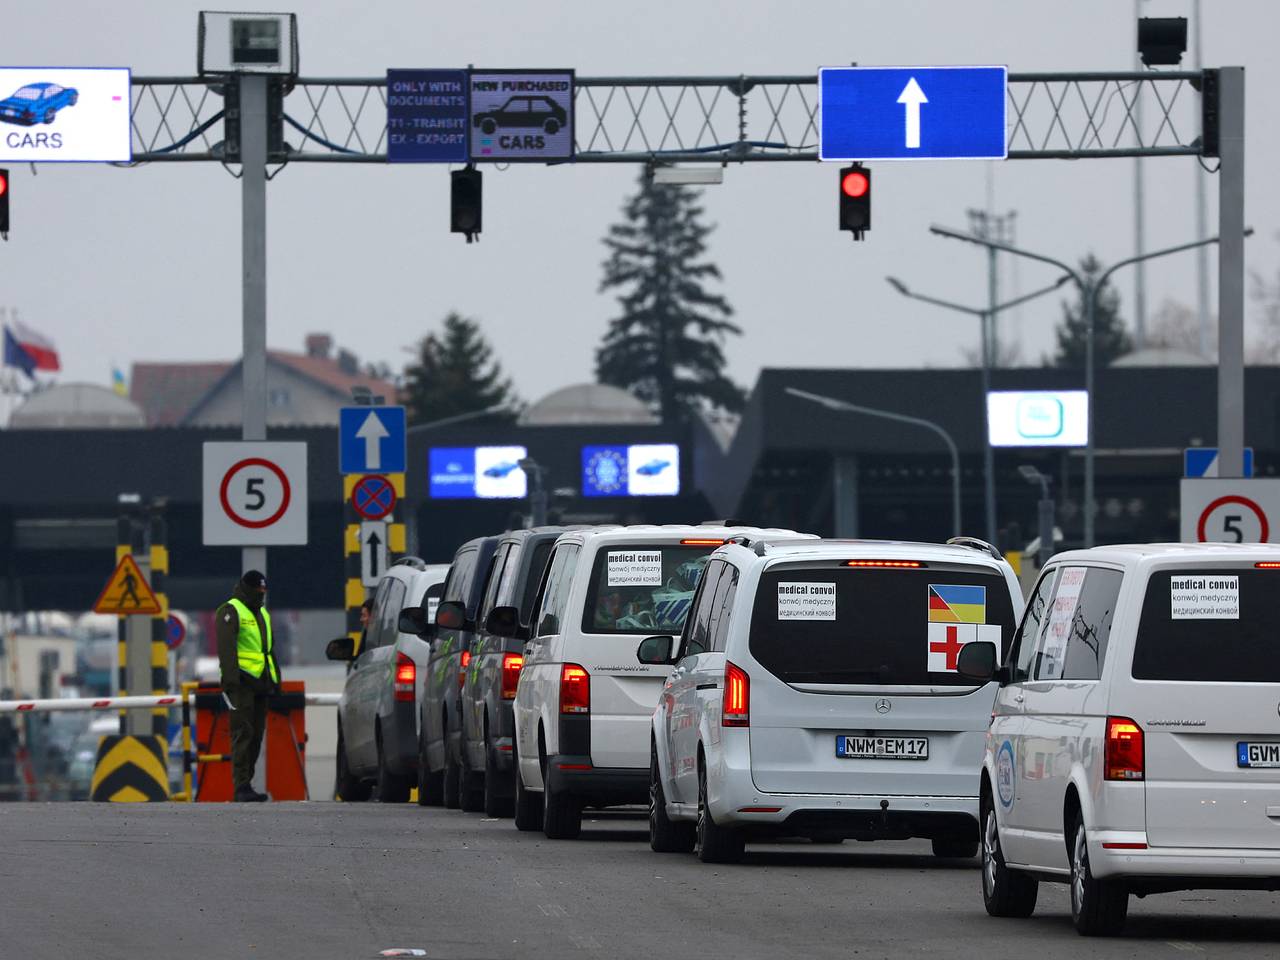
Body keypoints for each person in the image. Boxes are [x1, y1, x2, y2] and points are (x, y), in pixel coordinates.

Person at [215, 570, 281, 802]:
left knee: (256, 735)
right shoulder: (230, 611)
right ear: (246, 588)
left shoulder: (262, 612)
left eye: (263, 591)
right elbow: (226, 650)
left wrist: (275, 680)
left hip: (261, 683)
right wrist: (231, 682)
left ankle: (247, 783)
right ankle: (241, 785)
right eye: (257, 590)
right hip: (241, 683)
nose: (261, 594)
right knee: (243, 733)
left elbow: (268, 650)